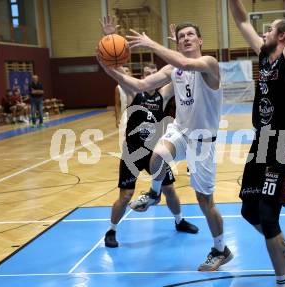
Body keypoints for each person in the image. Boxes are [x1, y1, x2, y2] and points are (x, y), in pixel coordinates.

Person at [97, 21, 232, 271]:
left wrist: (150, 44)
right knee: (157, 155)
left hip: (202, 140)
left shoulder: (209, 64)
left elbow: (187, 63)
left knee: (205, 202)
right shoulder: (173, 70)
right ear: (177, 43)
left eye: (191, 34)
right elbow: (139, 86)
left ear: (200, 41)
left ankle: (220, 249)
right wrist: (108, 68)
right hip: (180, 131)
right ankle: (154, 193)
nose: (187, 38)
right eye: (182, 36)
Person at [229, 0, 285, 286]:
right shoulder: (265, 56)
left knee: (267, 215)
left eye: (269, 30)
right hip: (262, 141)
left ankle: (283, 281)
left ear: (282, 36)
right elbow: (242, 21)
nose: (263, 33)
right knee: (248, 210)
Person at [100, 16, 198, 249]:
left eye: (154, 70)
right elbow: (115, 68)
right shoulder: (135, 93)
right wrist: (109, 38)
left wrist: (178, 43)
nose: (150, 74)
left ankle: (179, 220)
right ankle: (111, 231)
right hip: (133, 152)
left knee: (170, 190)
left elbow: (181, 67)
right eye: (146, 72)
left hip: (155, 151)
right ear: (143, 76)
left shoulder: (163, 95)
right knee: (125, 196)